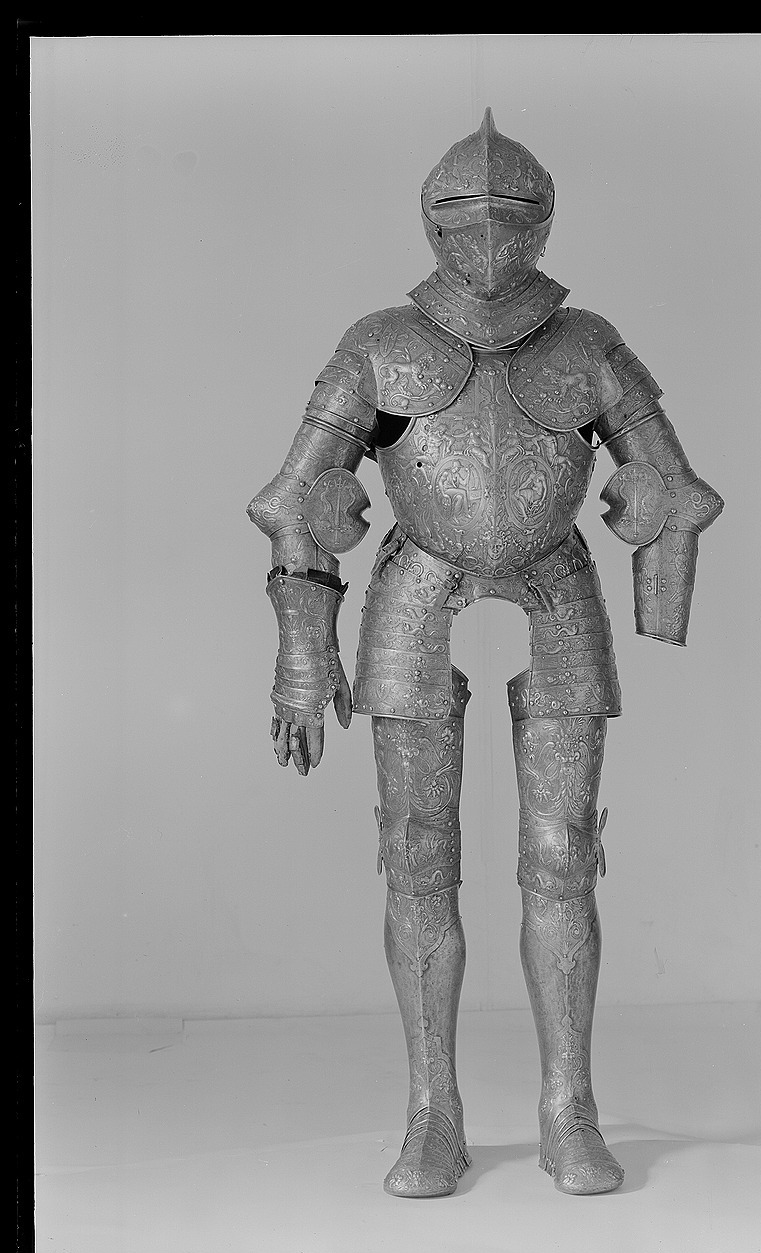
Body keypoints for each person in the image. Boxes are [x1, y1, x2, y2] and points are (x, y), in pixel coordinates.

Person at [248, 109, 723, 1197]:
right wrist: (302, 656)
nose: (491, 234)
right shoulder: (380, 342)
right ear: (432, 219)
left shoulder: (586, 342)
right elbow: (300, 500)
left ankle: (568, 1110)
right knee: (418, 856)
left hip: (557, 585)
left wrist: (660, 595)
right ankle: (433, 1113)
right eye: (468, 213)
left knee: (562, 856)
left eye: (511, 213)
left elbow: (672, 487)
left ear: (545, 220)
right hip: (414, 586)